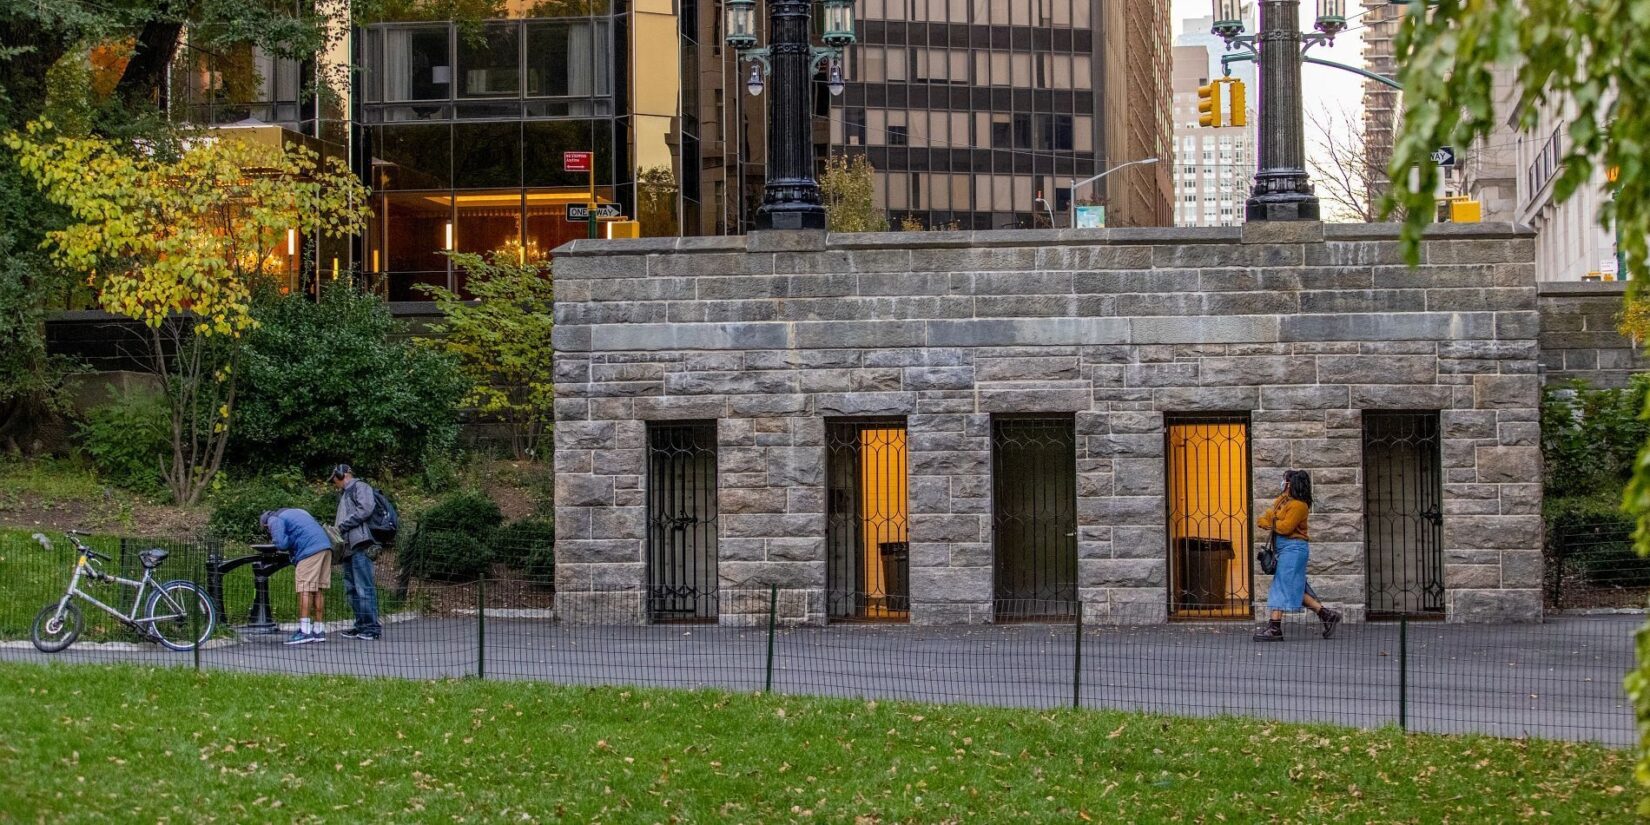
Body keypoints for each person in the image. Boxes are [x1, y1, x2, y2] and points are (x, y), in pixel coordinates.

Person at [1254, 470, 1342, 641]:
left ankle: (1274, 628)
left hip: (1293, 549)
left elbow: (1285, 527)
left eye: (1284, 480)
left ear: (1291, 483)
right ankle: (1326, 615)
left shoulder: (1299, 505)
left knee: (1281, 585)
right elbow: (1262, 519)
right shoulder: (1283, 501)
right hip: (1285, 549)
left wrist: (1272, 520)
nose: (1282, 483)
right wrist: (1273, 520)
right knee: (1294, 586)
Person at [261, 508, 332, 645]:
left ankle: (304, 631)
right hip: (325, 546)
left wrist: (284, 539)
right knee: (317, 589)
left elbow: (281, 544)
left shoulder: (273, 519)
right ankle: (318, 630)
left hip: (309, 550)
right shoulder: (297, 512)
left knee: (304, 589)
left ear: (265, 524)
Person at [332, 464, 383, 641]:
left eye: (335, 479)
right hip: (347, 547)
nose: (334, 483)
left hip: (360, 543)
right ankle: (361, 624)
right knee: (351, 588)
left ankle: (371, 627)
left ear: (343, 474)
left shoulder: (361, 487)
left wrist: (343, 525)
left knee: (363, 587)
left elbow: (366, 508)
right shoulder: (345, 493)